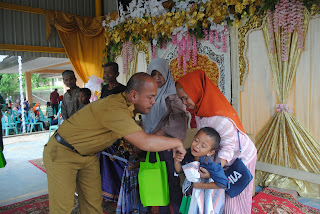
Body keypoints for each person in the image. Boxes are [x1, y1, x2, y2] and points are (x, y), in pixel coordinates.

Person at [43, 72, 187, 213]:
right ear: (134, 95)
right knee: (62, 208)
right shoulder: (114, 107)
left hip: (88, 155)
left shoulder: (125, 107)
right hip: (63, 152)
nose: (154, 101)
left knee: (93, 204)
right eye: (150, 97)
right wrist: (176, 142)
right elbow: (145, 142)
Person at [176, 70, 257, 214]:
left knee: (234, 199)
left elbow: (226, 150)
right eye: (181, 99)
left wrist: (212, 173)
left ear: (196, 91)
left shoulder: (220, 119)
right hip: (225, 160)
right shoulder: (202, 111)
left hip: (242, 157)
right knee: (222, 197)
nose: (185, 103)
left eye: (186, 98)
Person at [141, 58, 187, 214]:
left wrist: (157, 133)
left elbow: (179, 118)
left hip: (166, 144)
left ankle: (178, 211)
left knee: (170, 180)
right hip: (150, 144)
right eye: (153, 74)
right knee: (156, 178)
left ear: (167, 74)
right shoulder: (148, 95)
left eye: (160, 74)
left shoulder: (173, 94)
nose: (157, 78)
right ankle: (162, 210)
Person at [174, 127, 228, 214]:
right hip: (191, 196)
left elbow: (223, 183)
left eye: (203, 146)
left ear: (210, 152)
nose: (197, 146)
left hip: (207, 198)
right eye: (196, 140)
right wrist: (177, 161)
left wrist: (201, 185)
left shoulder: (212, 164)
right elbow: (179, 170)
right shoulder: (188, 154)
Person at [99, 62, 127, 202]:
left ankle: (120, 191)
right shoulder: (104, 89)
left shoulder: (123, 89)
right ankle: (107, 191)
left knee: (117, 159)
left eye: (109, 72)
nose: (107, 75)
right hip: (105, 128)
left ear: (116, 74)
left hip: (118, 129)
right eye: (105, 73)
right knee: (104, 160)